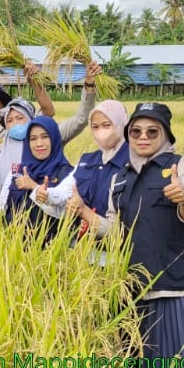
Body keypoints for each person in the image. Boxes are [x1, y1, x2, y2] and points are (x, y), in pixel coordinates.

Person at [82, 102, 184, 368]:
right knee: (144, 364)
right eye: (136, 131)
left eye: (152, 131)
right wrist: (82, 211)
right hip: (138, 288)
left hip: (180, 287)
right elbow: (114, 231)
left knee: (177, 366)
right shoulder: (121, 178)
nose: (143, 137)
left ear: (166, 134)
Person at [65, 100, 130, 254]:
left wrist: (83, 210)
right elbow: (65, 191)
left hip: (116, 253)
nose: (101, 131)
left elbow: (126, 228)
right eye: (95, 127)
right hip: (80, 248)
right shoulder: (87, 160)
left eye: (107, 125)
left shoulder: (134, 163)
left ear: (122, 124)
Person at [5, 116, 76, 243]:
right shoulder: (19, 171)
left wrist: (34, 187)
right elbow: (3, 207)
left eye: (45, 137)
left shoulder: (68, 173)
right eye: (33, 139)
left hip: (50, 254)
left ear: (54, 138)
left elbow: (65, 211)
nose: (39, 144)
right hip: (11, 248)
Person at [25, 60, 103, 144]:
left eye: (20, 117)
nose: (39, 144)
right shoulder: (11, 142)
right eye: (10, 120)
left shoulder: (54, 135)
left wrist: (89, 84)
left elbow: (81, 119)